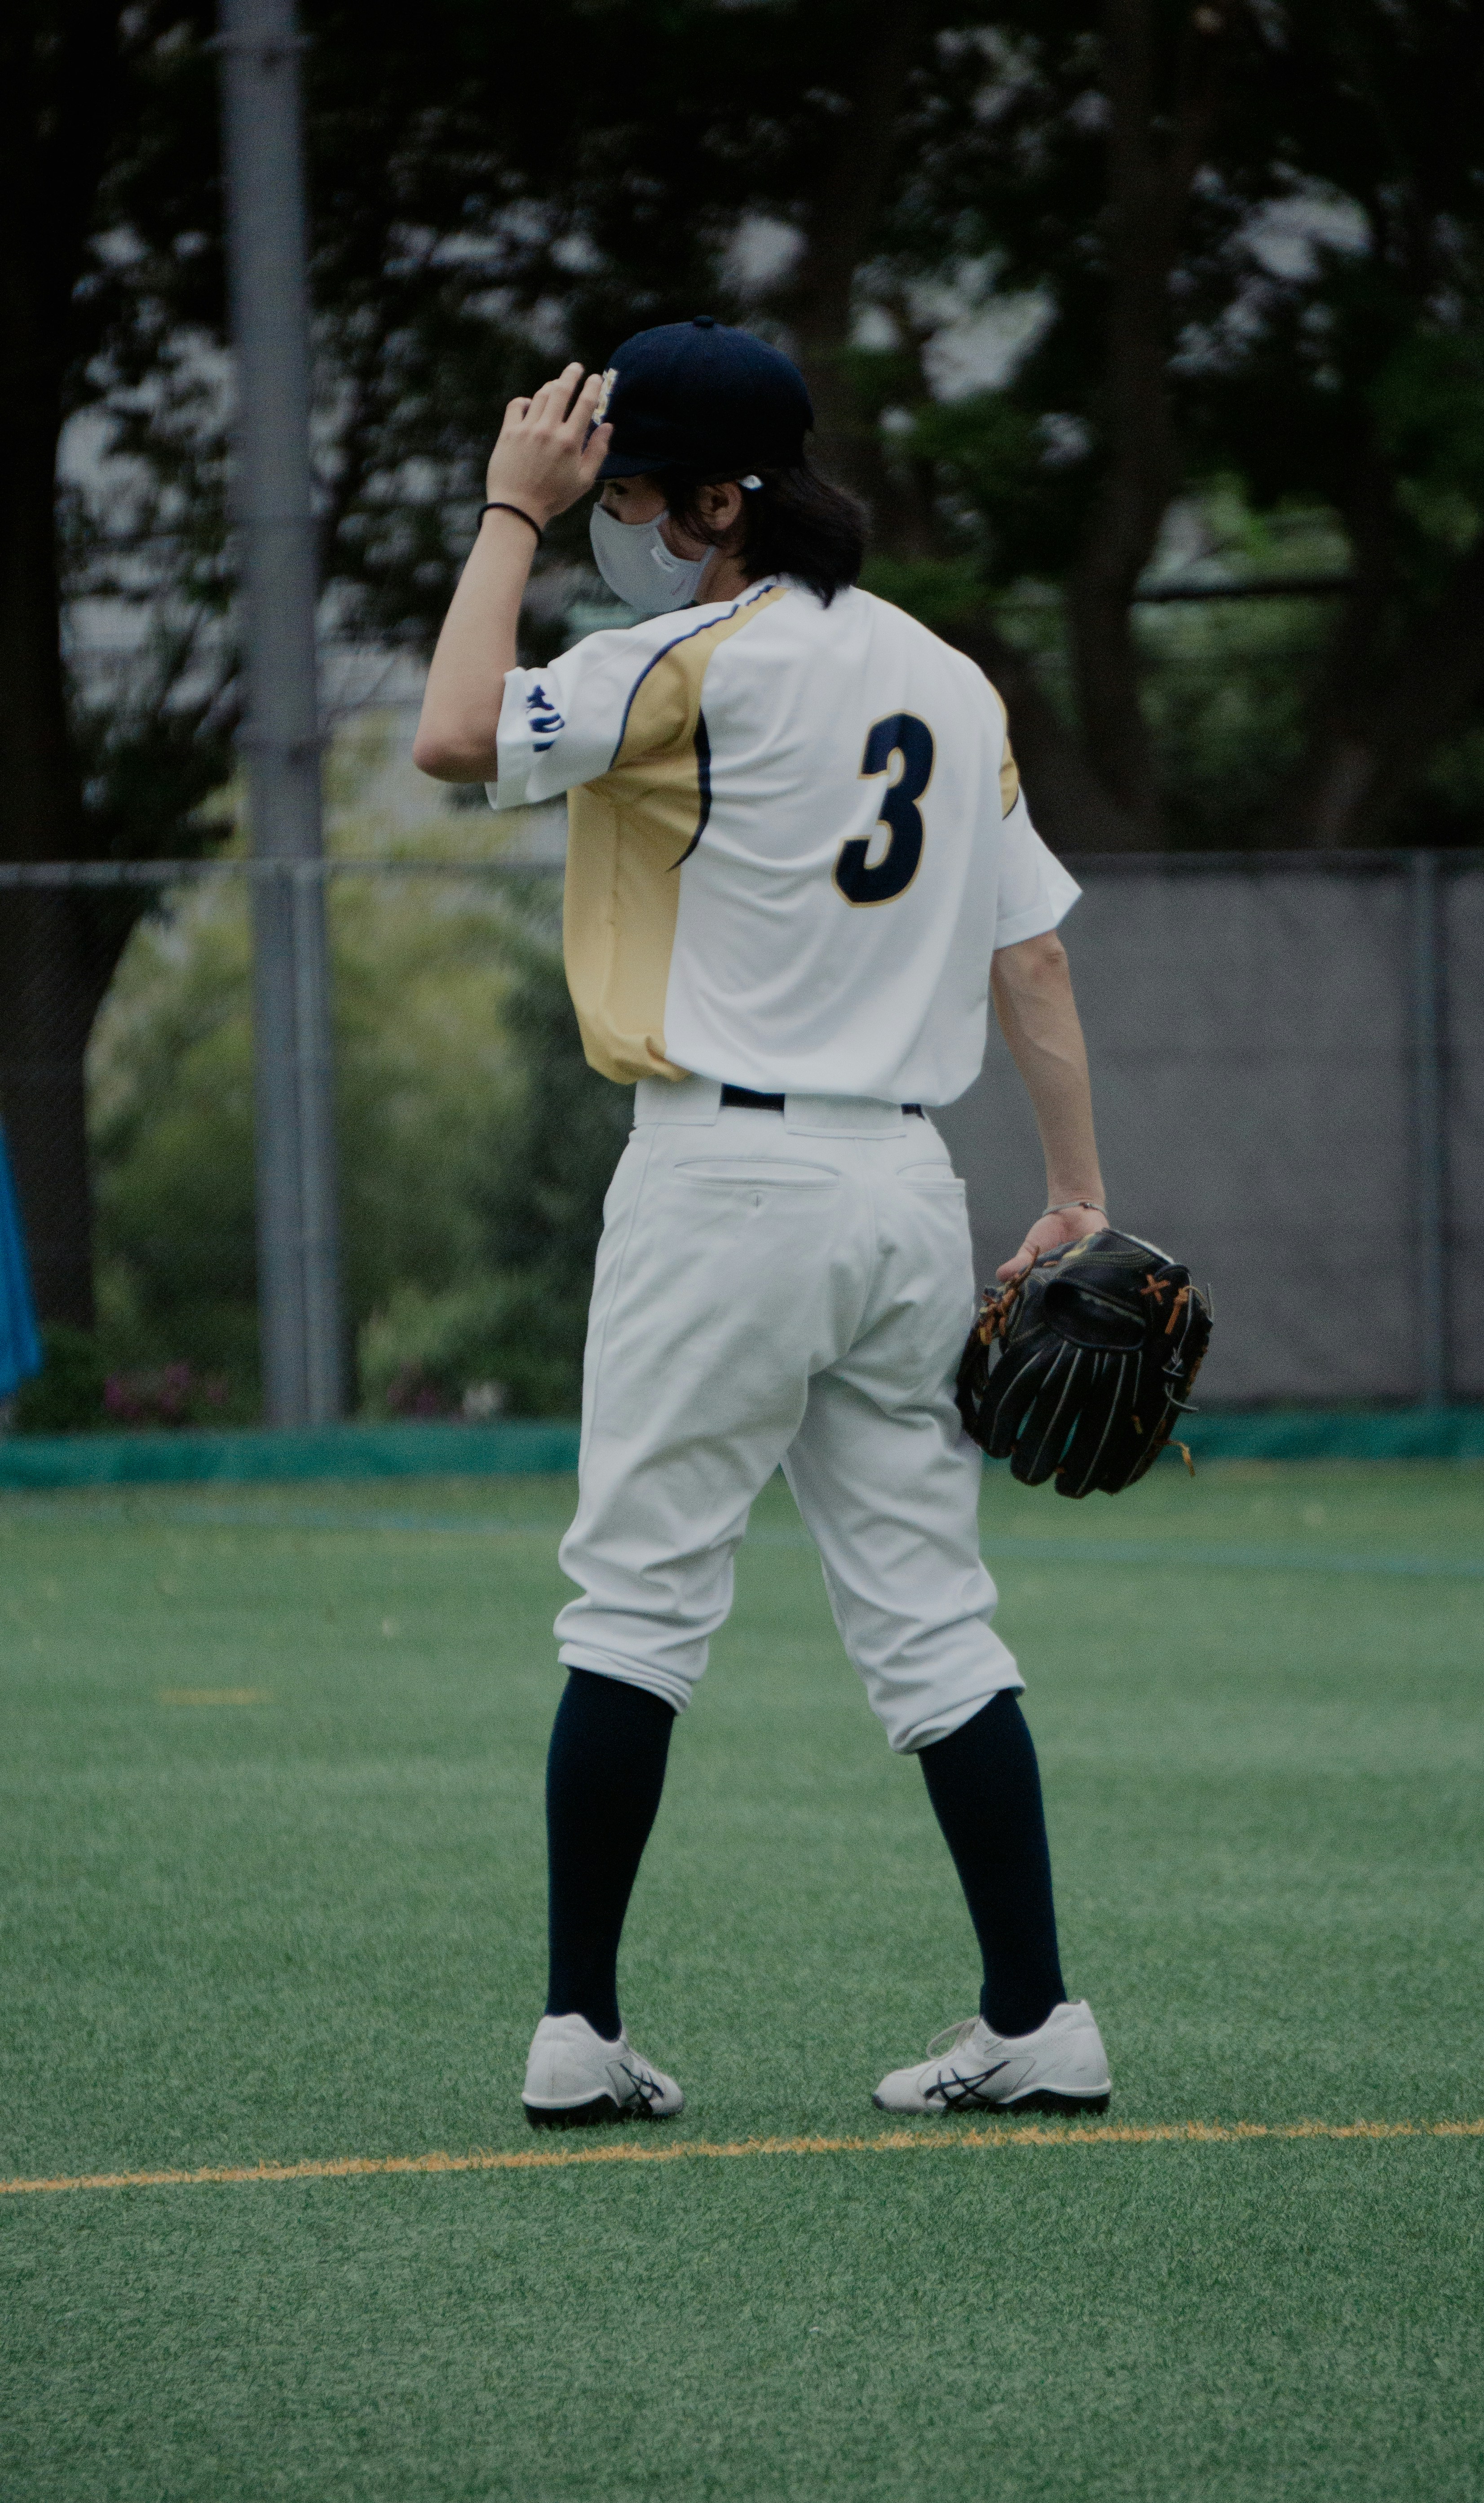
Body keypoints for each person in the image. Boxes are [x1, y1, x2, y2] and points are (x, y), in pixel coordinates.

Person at [415, 318, 1113, 2125]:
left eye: (635, 490)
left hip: (720, 1181)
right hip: (905, 1190)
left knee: (636, 1605)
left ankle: (578, 2029)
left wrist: (508, 513)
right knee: (934, 1615)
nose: (615, 519)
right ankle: (1035, 2016)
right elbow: (1030, 957)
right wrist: (1076, 1194)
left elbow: (453, 733)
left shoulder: (682, 665)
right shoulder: (950, 679)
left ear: (723, 503)